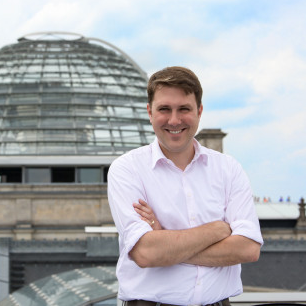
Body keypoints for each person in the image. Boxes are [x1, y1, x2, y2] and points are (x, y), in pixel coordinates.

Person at [107, 66, 263, 306]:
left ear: (199, 111)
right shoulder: (126, 169)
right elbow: (146, 253)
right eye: (164, 109)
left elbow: (248, 249)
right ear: (149, 112)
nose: (174, 120)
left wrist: (163, 241)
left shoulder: (228, 169)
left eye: (184, 109)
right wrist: (218, 230)